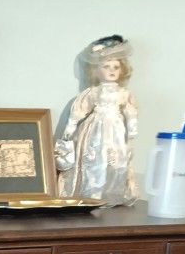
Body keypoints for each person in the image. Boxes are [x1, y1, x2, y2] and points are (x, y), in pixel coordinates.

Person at [55, 35, 139, 206]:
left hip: (116, 129)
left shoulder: (124, 94)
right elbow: (79, 111)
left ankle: (110, 194)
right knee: (93, 158)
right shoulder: (93, 92)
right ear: (96, 70)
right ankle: (91, 192)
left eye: (116, 67)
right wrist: (69, 131)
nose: (112, 70)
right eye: (106, 66)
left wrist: (131, 132)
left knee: (116, 160)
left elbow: (130, 113)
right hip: (95, 128)